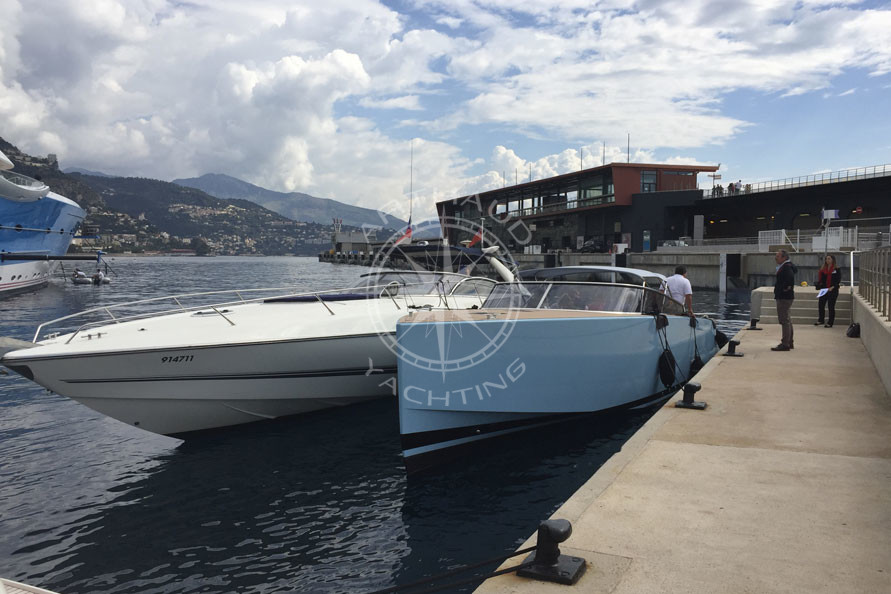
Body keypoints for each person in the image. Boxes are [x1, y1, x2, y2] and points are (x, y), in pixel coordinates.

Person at [772, 249, 797, 351]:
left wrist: (785, 288)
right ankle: (789, 341)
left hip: (784, 297)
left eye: (778, 256)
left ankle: (785, 343)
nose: (776, 258)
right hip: (786, 296)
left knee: (784, 320)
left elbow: (790, 278)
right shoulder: (788, 266)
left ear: (784, 257)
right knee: (787, 320)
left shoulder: (786, 267)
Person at [814, 254, 842, 327]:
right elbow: (822, 279)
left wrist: (833, 287)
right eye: (826, 259)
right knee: (821, 304)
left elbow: (838, 280)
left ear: (832, 260)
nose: (827, 260)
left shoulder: (836, 269)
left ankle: (830, 322)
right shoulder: (823, 269)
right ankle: (821, 320)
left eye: (829, 259)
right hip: (824, 289)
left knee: (831, 306)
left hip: (833, 290)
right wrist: (819, 284)